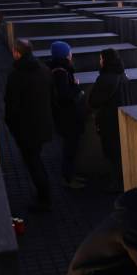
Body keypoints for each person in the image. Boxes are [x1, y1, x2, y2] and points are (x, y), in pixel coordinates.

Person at [4, 39, 54, 212]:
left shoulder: (16, 75)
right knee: (36, 159)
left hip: (25, 129)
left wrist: (11, 126)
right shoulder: (44, 69)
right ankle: (44, 194)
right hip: (42, 124)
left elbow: (11, 105)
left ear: (17, 53)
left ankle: (44, 198)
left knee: (33, 163)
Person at [87, 48, 128, 193]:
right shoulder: (122, 74)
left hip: (108, 121)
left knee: (112, 153)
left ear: (106, 60)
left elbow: (93, 101)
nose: (99, 61)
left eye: (101, 59)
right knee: (120, 152)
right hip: (122, 118)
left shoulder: (105, 78)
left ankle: (116, 183)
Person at [47, 41, 86, 189]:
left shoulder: (59, 70)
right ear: (65, 54)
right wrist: (77, 89)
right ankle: (68, 179)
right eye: (69, 52)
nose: (71, 54)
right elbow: (64, 96)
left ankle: (71, 176)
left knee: (71, 148)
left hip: (65, 116)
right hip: (67, 117)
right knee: (69, 149)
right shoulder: (61, 72)